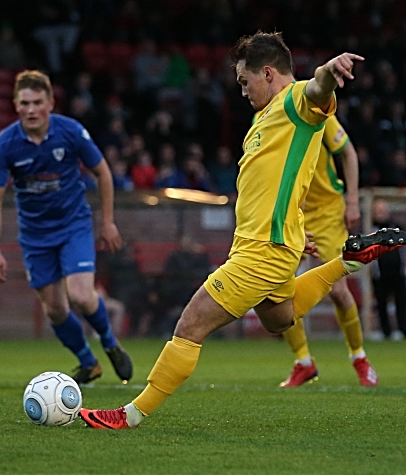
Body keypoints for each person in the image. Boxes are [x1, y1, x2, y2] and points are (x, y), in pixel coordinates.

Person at [80, 31, 404, 429]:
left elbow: (316, 88)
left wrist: (328, 70)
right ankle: (347, 262)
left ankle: (129, 415)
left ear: (268, 73)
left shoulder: (294, 101)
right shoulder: (264, 118)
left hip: (263, 250)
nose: (242, 90)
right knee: (278, 319)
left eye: (244, 81)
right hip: (275, 242)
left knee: (190, 324)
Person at [0, 70, 133, 385]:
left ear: (51, 103)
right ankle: (88, 363)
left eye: (38, 102)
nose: (31, 109)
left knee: (81, 295)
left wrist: (107, 222)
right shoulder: (5, 144)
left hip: (73, 225)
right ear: (15, 105)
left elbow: (103, 173)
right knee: (54, 309)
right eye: (25, 103)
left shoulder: (72, 132)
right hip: (35, 236)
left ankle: (109, 341)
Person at [280, 116, 378, 387]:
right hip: (290, 213)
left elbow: (348, 152)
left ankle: (359, 357)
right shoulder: (263, 118)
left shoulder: (315, 110)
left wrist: (353, 201)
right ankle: (303, 362)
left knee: (337, 289)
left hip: (327, 213)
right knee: (277, 289)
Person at [371, 199, 406, 340]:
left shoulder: (396, 228)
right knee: (381, 303)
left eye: (384, 210)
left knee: (402, 302)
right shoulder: (371, 229)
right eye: (378, 211)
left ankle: (403, 330)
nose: (382, 214)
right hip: (380, 274)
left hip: (398, 272)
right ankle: (385, 332)